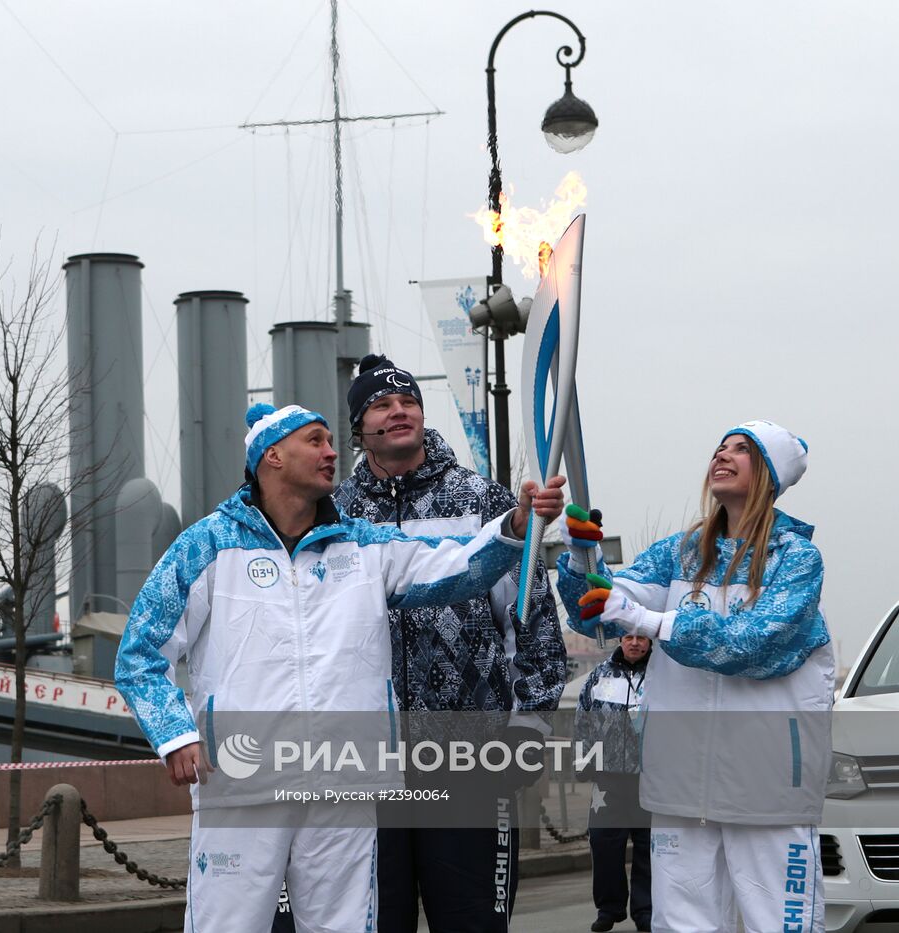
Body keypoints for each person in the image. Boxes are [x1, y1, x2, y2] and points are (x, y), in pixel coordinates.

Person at [115, 401, 565, 933]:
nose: (332, 452)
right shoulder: (207, 546)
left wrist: (515, 525)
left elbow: (456, 568)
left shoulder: (361, 543)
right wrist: (175, 735)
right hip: (244, 783)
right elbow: (141, 653)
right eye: (316, 440)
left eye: (332, 441)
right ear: (272, 456)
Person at [560, 421, 831, 933]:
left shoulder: (795, 559)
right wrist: (580, 557)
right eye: (720, 448)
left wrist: (652, 621)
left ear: (770, 475)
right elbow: (598, 612)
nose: (723, 456)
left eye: (742, 450)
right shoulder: (679, 553)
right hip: (680, 781)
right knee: (682, 923)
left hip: (766, 784)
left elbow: (751, 643)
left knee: (780, 922)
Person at [334, 354, 567, 931]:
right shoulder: (334, 514)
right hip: (367, 760)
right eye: (381, 405)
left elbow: (533, 617)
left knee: (472, 922)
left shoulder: (482, 501)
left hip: (467, 754)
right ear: (359, 428)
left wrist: (529, 727)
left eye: (407, 401)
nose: (398, 412)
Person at [574, 635, 653, 932]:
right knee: (604, 842)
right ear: (620, 640)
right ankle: (609, 907)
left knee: (647, 847)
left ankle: (645, 910)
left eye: (641, 638)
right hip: (608, 776)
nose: (635, 644)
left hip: (648, 777)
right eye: (629, 638)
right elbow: (582, 719)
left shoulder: (660, 677)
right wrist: (582, 762)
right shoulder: (599, 676)